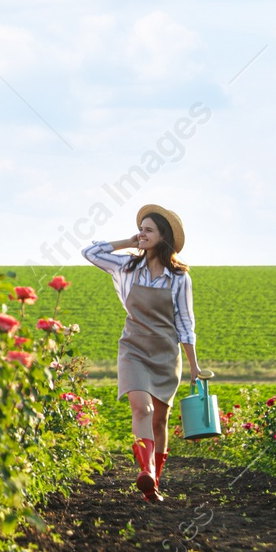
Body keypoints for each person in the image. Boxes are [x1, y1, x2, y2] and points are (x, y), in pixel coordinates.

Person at [81, 204, 206, 502]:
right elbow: (90, 252)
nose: (142, 233)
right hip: (133, 349)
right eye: (142, 228)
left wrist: (194, 366)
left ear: (164, 237)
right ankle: (146, 469)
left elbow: (185, 323)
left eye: (149, 230)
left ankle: (154, 484)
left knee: (160, 421)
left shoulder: (179, 277)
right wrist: (128, 241)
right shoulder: (126, 266)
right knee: (142, 409)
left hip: (166, 353)